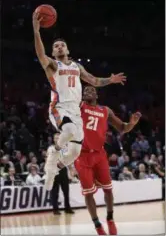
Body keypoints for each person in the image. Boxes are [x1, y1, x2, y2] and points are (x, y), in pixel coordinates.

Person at [32, 12, 126, 191]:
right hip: (58, 108)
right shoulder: (52, 65)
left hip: (76, 111)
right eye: (56, 46)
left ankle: (53, 168)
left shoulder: (77, 67)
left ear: (67, 50)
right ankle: (54, 151)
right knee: (67, 130)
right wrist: (37, 31)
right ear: (53, 52)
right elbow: (40, 53)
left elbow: (94, 81)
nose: (59, 47)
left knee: (75, 152)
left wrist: (110, 80)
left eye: (62, 45)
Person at [74, 86, 141, 235]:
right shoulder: (79, 106)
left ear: (97, 95)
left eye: (91, 90)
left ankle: (110, 219)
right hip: (82, 155)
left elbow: (123, 128)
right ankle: (97, 225)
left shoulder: (105, 111)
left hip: (99, 154)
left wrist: (132, 124)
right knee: (88, 193)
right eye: (85, 91)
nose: (88, 92)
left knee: (108, 189)